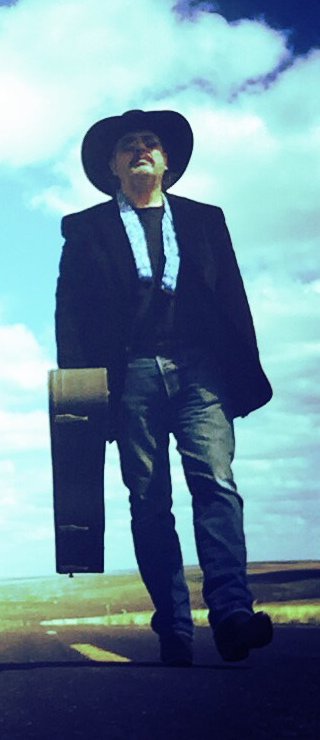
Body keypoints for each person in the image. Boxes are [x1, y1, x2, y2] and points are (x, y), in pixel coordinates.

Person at [55, 109, 273, 666]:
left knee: (216, 483)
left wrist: (242, 375)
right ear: (112, 165)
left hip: (201, 369)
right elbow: (71, 316)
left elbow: (234, 300)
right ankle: (174, 626)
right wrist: (84, 396)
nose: (141, 150)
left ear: (168, 161)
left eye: (150, 143)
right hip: (130, 376)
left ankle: (231, 615)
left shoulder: (205, 220)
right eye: (128, 145)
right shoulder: (85, 229)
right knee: (149, 502)